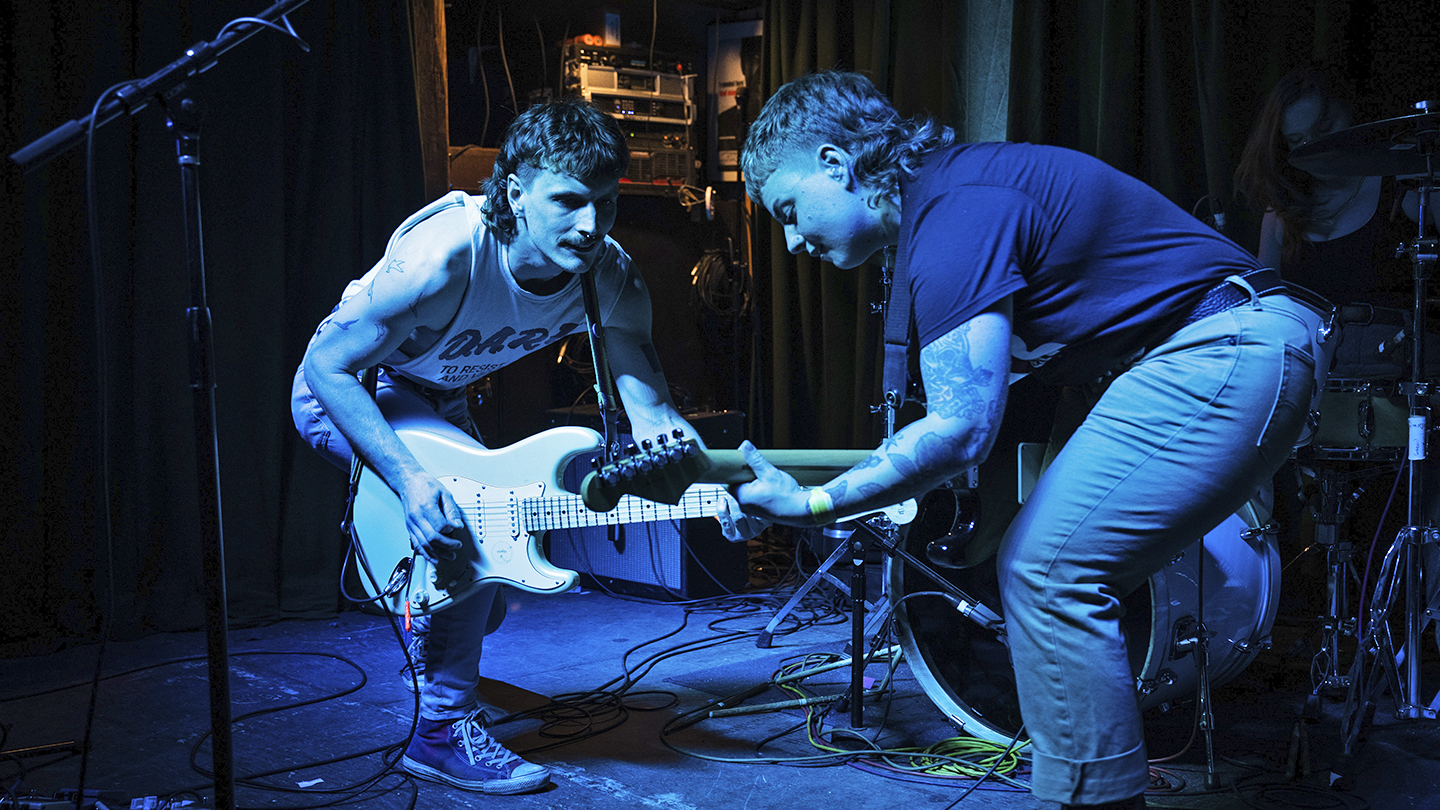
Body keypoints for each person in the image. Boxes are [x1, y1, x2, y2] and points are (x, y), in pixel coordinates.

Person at [724, 70, 1332, 810]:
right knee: (1043, 563)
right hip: (1228, 346)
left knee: (1048, 573)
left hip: (1226, 349)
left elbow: (959, 430)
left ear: (834, 162)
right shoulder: (954, 201)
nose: (791, 241)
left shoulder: (955, 212)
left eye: (788, 210)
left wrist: (815, 505)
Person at [291, 99, 745, 794]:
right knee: (469, 536)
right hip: (354, 394)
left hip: (439, 400)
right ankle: (440, 730)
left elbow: (652, 412)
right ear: (514, 192)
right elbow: (328, 368)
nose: (590, 225)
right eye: (567, 201)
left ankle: (430, 607)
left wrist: (706, 481)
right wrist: (413, 483)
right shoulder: (443, 257)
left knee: (489, 588)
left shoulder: (610, 276)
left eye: (605, 203)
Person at [1234, 66, 1439, 379]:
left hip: (1405, 381)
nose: (1313, 147)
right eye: (1297, 140)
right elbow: (1263, 315)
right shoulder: (1280, 215)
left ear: (1351, 111)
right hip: (1314, 390)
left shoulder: (1408, 187)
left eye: (1325, 128)